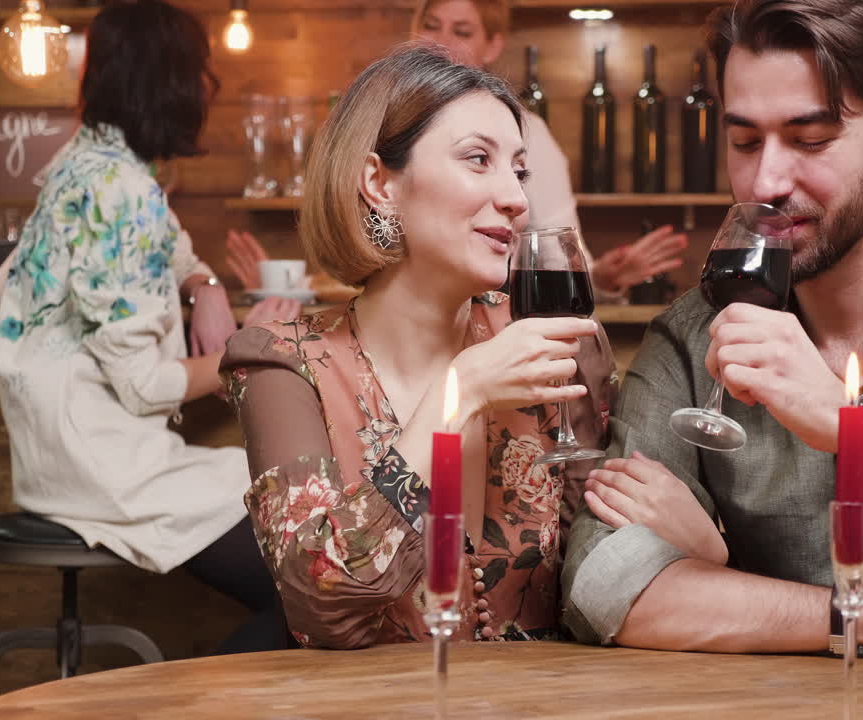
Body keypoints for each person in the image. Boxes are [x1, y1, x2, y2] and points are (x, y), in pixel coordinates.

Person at [563, 0, 863, 674]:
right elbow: (603, 584)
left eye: (811, 138)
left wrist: (857, 425)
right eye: (743, 142)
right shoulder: (688, 340)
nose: (766, 181)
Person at [220, 44, 618, 649]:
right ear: (379, 182)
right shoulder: (282, 364)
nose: (516, 198)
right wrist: (461, 394)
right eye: (478, 159)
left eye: (519, 169)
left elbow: (605, 582)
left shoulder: (559, 346)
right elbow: (320, 606)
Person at [0, 0, 296, 654]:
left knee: (306, 560)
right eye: (200, 73)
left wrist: (206, 286)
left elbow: (170, 246)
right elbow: (143, 384)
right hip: (101, 463)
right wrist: (249, 348)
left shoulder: (100, 164)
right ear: (173, 83)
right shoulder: (118, 188)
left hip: (76, 451)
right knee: (311, 586)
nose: (207, 89)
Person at [411, 0, 688, 300]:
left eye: (462, 31)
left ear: (492, 46)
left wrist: (602, 279)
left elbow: (557, 255)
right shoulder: (382, 119)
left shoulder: (526, 133)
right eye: (431, 25)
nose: (440, 42)